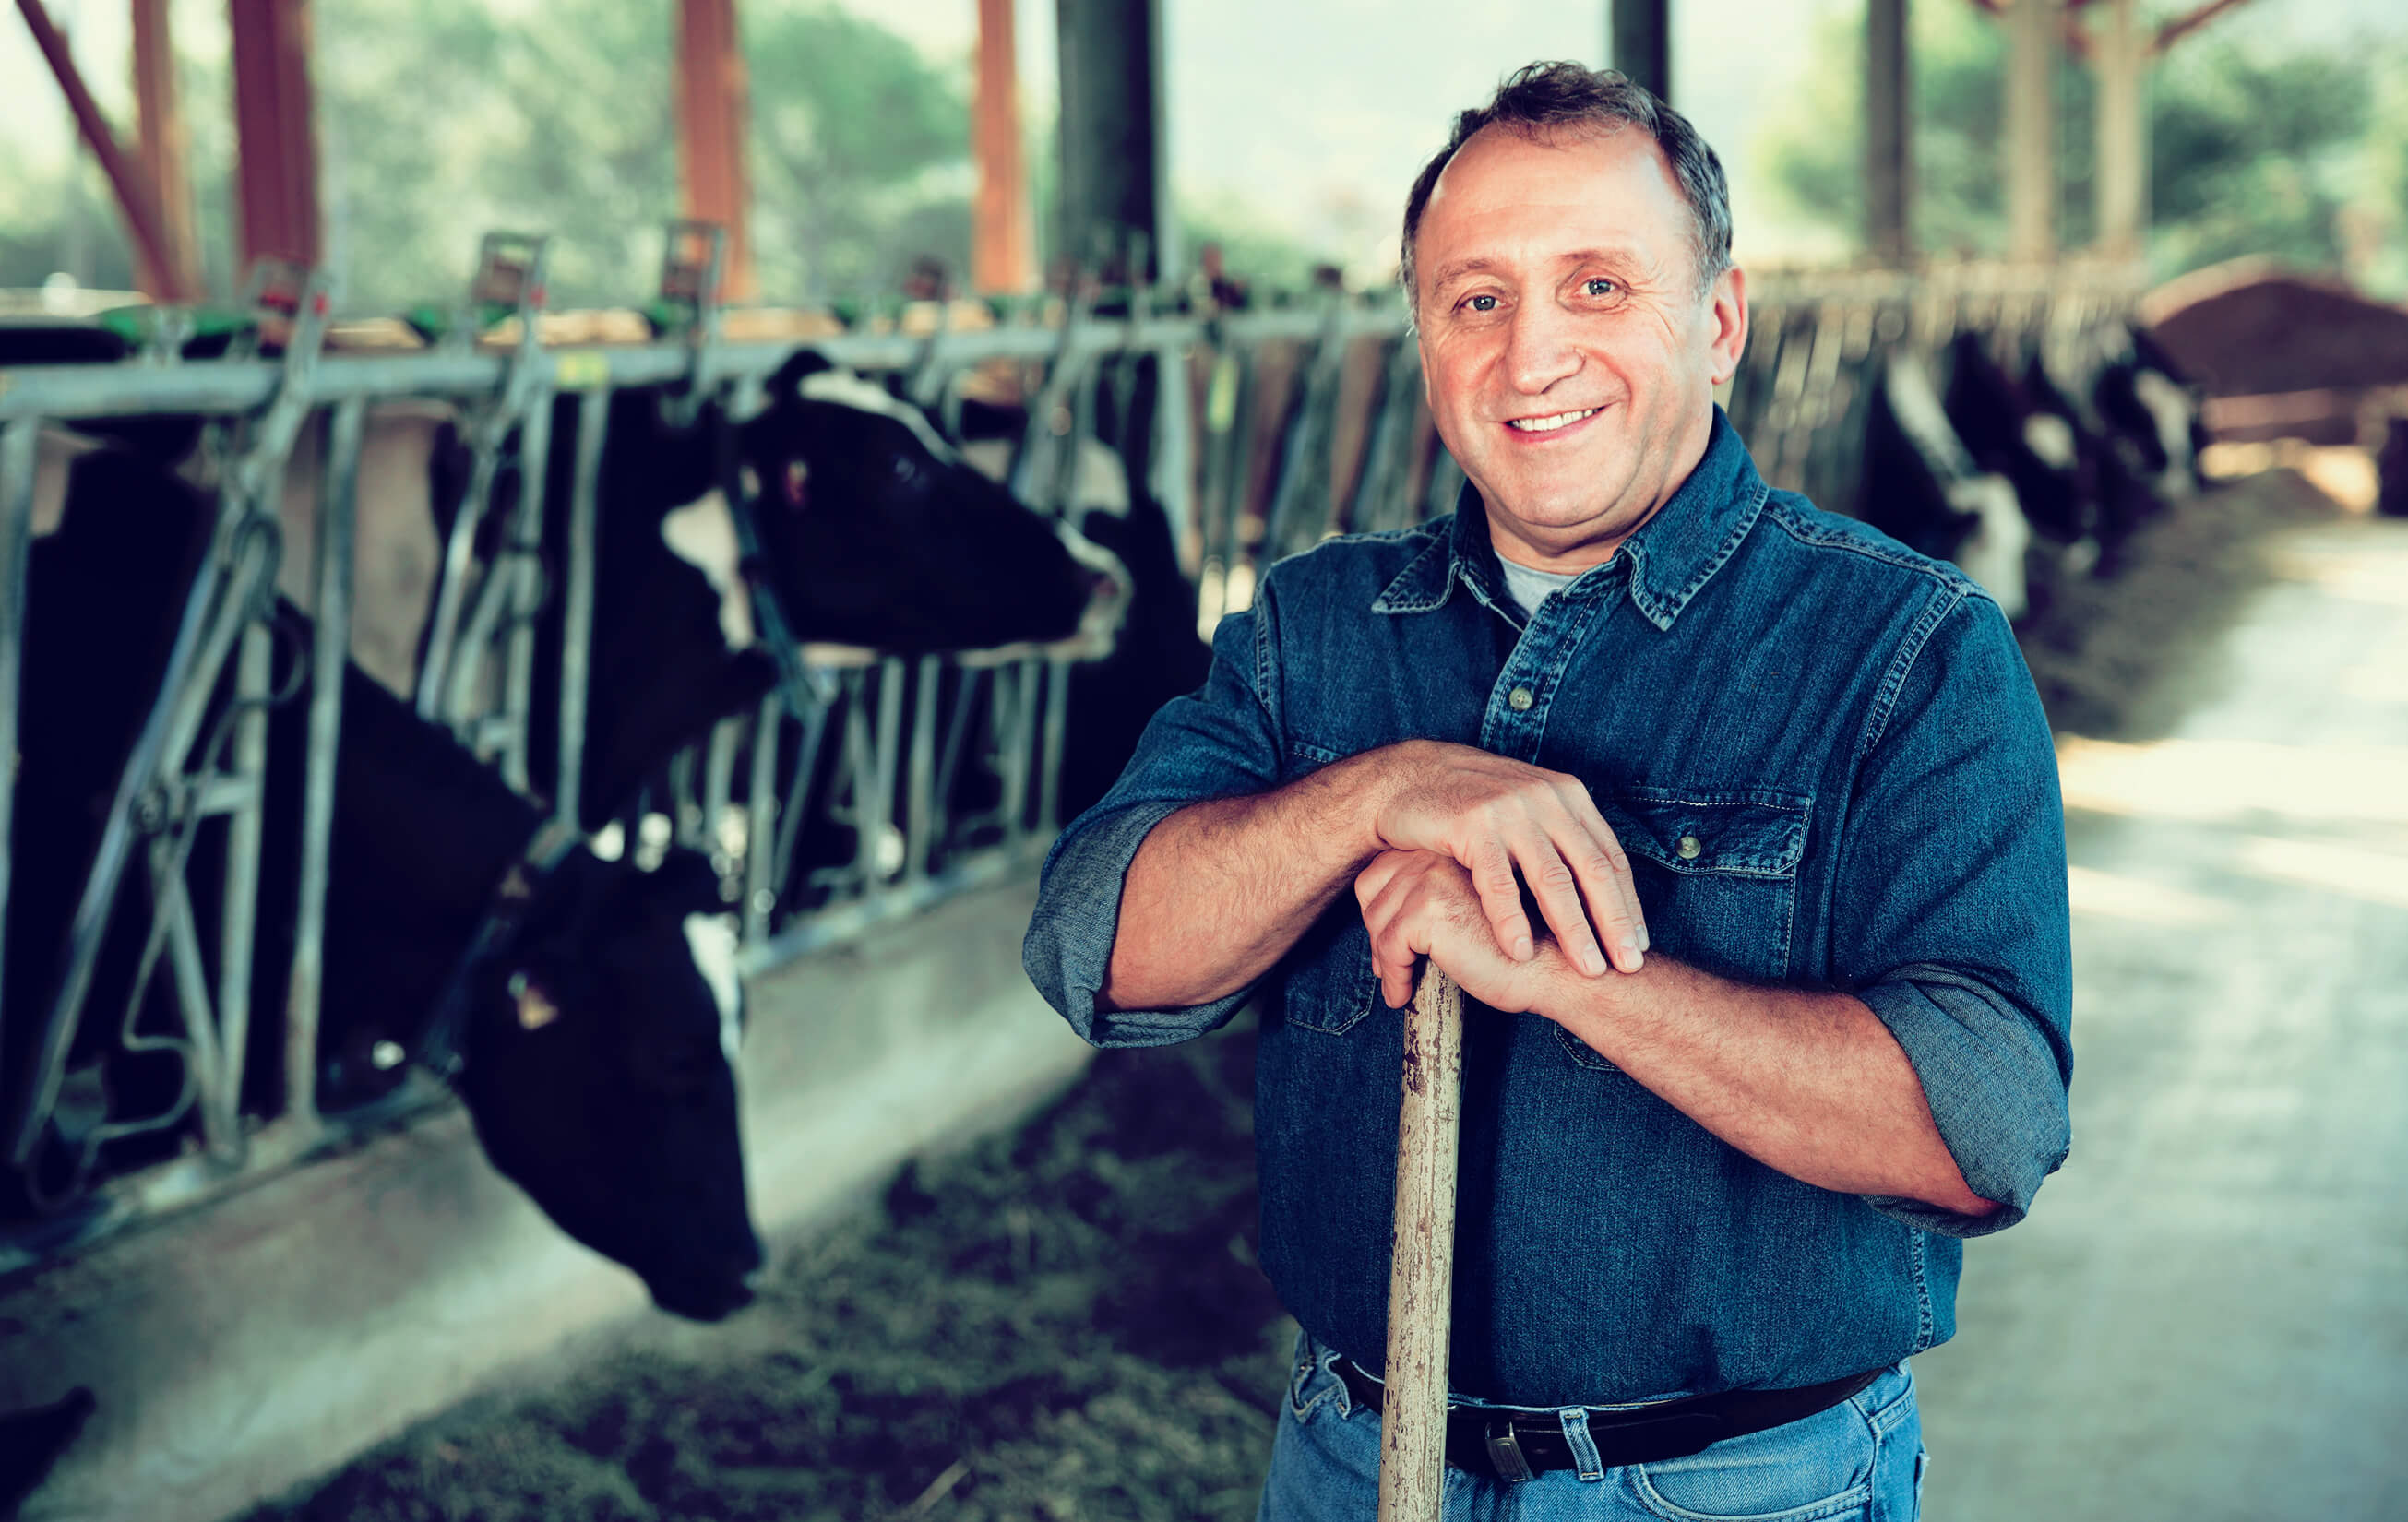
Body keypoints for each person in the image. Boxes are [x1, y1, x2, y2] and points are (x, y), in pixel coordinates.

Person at [1023, 62, 2071, 1520]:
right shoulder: (1317, 631)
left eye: (1595, 287)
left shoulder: (1901, 649)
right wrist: (1384, 792)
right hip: (1349, 1456)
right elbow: (1092, 947)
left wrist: (1566, 974)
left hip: (1737, 1487)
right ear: (1423, 339)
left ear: (1715, 324)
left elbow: (1984, 1133)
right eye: (1476, 299)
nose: (1529, 358)